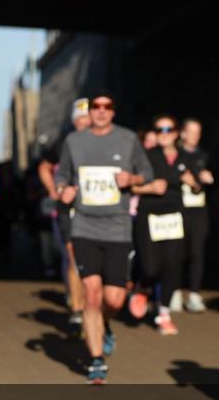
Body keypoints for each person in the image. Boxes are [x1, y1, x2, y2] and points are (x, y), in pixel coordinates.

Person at [56, 91, 153, 384]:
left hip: (118, 228)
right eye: (94, 107)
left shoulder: (127, 139)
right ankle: (96, 361)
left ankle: (106, 324)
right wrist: (65, 191)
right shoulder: (74, 142)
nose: (100, 111)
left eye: (106, 106)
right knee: (92, 296)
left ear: (112, 112)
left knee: (114, 299)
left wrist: (132, 179)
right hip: (85, 227)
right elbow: (62, 176)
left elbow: (146, 172)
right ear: (89, 112)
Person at [131, 114, 193, 335]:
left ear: (176, 133)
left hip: (175, 216)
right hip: (150, 216)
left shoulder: (186, 157)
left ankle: (164, 314)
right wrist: (150, 188)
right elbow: (130, 186)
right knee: (150, 266)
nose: (164, 134)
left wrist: (194, 181)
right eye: (159, 130)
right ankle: (143, 287)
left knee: (173, 265)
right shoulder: (145, 156)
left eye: (168, 130)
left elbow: (198, 188)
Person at [38, 98, 91, 337]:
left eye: (86, 117)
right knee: (74, 256)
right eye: (79, 118)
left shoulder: (106, 142)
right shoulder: (64, 142)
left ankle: (91, 304)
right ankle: (77, 310)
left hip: (97, 209)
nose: (83, 122)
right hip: (69, 208)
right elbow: (43, 167)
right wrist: (54, 189)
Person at [171, 117, 214, 313]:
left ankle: (194, 294)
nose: (195, 136)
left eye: (198, 132)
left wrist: (208, 180)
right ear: (182, 133)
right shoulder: (174, 155)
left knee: (197, 252)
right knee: (177, 252)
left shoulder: (204, 155)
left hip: (199, 211)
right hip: (178, 210)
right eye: (191, 131)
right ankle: (175, 292)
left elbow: (216, 183)